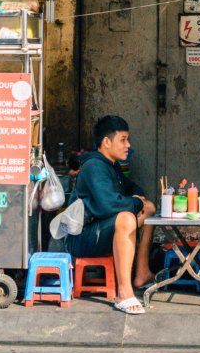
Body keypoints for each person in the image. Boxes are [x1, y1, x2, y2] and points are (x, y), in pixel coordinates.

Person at [65, 115, 155, 315]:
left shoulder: (111, 165)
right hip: (82, 238)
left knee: (149, 208)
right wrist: (136, 202)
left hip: (99, 232)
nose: (128, 145)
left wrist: (139, 199)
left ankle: (142, 273)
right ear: (107, 142)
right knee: (126, 218)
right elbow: (108, 205)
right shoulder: (94, 167)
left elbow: (132, 187)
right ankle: (123, 293)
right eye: (123, 140)